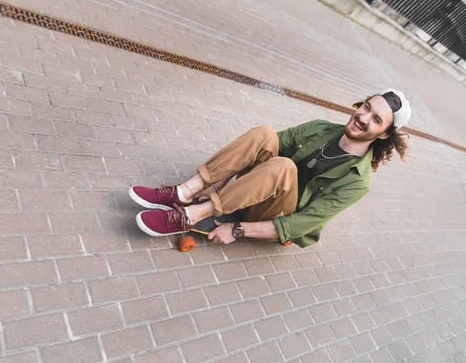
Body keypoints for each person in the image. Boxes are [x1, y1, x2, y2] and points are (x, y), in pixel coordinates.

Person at [129, 89, 411, 248]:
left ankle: (188, 216)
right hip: (256, 187)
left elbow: (302, 223)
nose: (363, 117)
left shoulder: (357, 182)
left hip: (276, 214)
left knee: (285, 168)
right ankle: (185, 191)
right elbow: (265, 148)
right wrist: (222, 181)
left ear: (384, 134)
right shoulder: (322, 128)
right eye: (366, 107)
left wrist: (238, 230)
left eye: (375, 119)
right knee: (266, 133)